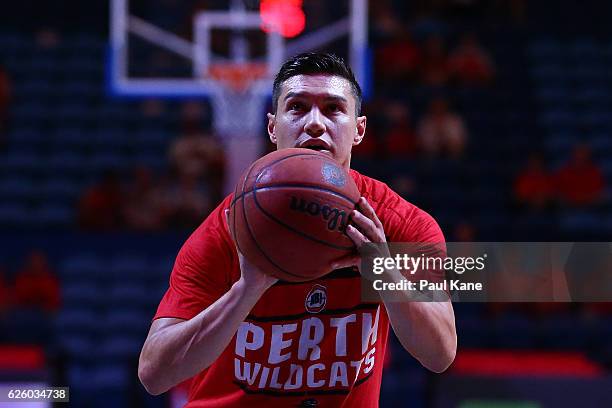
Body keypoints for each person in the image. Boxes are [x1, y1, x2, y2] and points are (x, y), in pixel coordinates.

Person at [138, 53, 456, 407]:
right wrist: (246, 290)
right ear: (273, 127)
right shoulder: (227, 229)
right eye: (298, 107)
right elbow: (154, 374)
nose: (315, 123)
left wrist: (383, 272)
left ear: (359, 129)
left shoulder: (399, 222)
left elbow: (440, 354)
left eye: (333, 108)